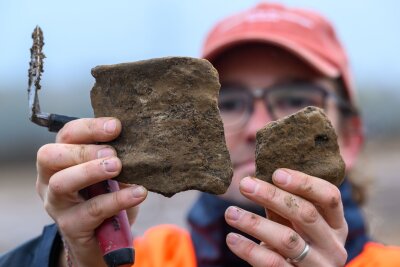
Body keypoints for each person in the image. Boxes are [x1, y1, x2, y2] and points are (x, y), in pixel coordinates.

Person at [1, 2, 400, 267]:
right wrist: (67, 256)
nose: (260, 126)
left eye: (296, 100)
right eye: (227, 102)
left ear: (349, 136)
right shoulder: (147, 258)